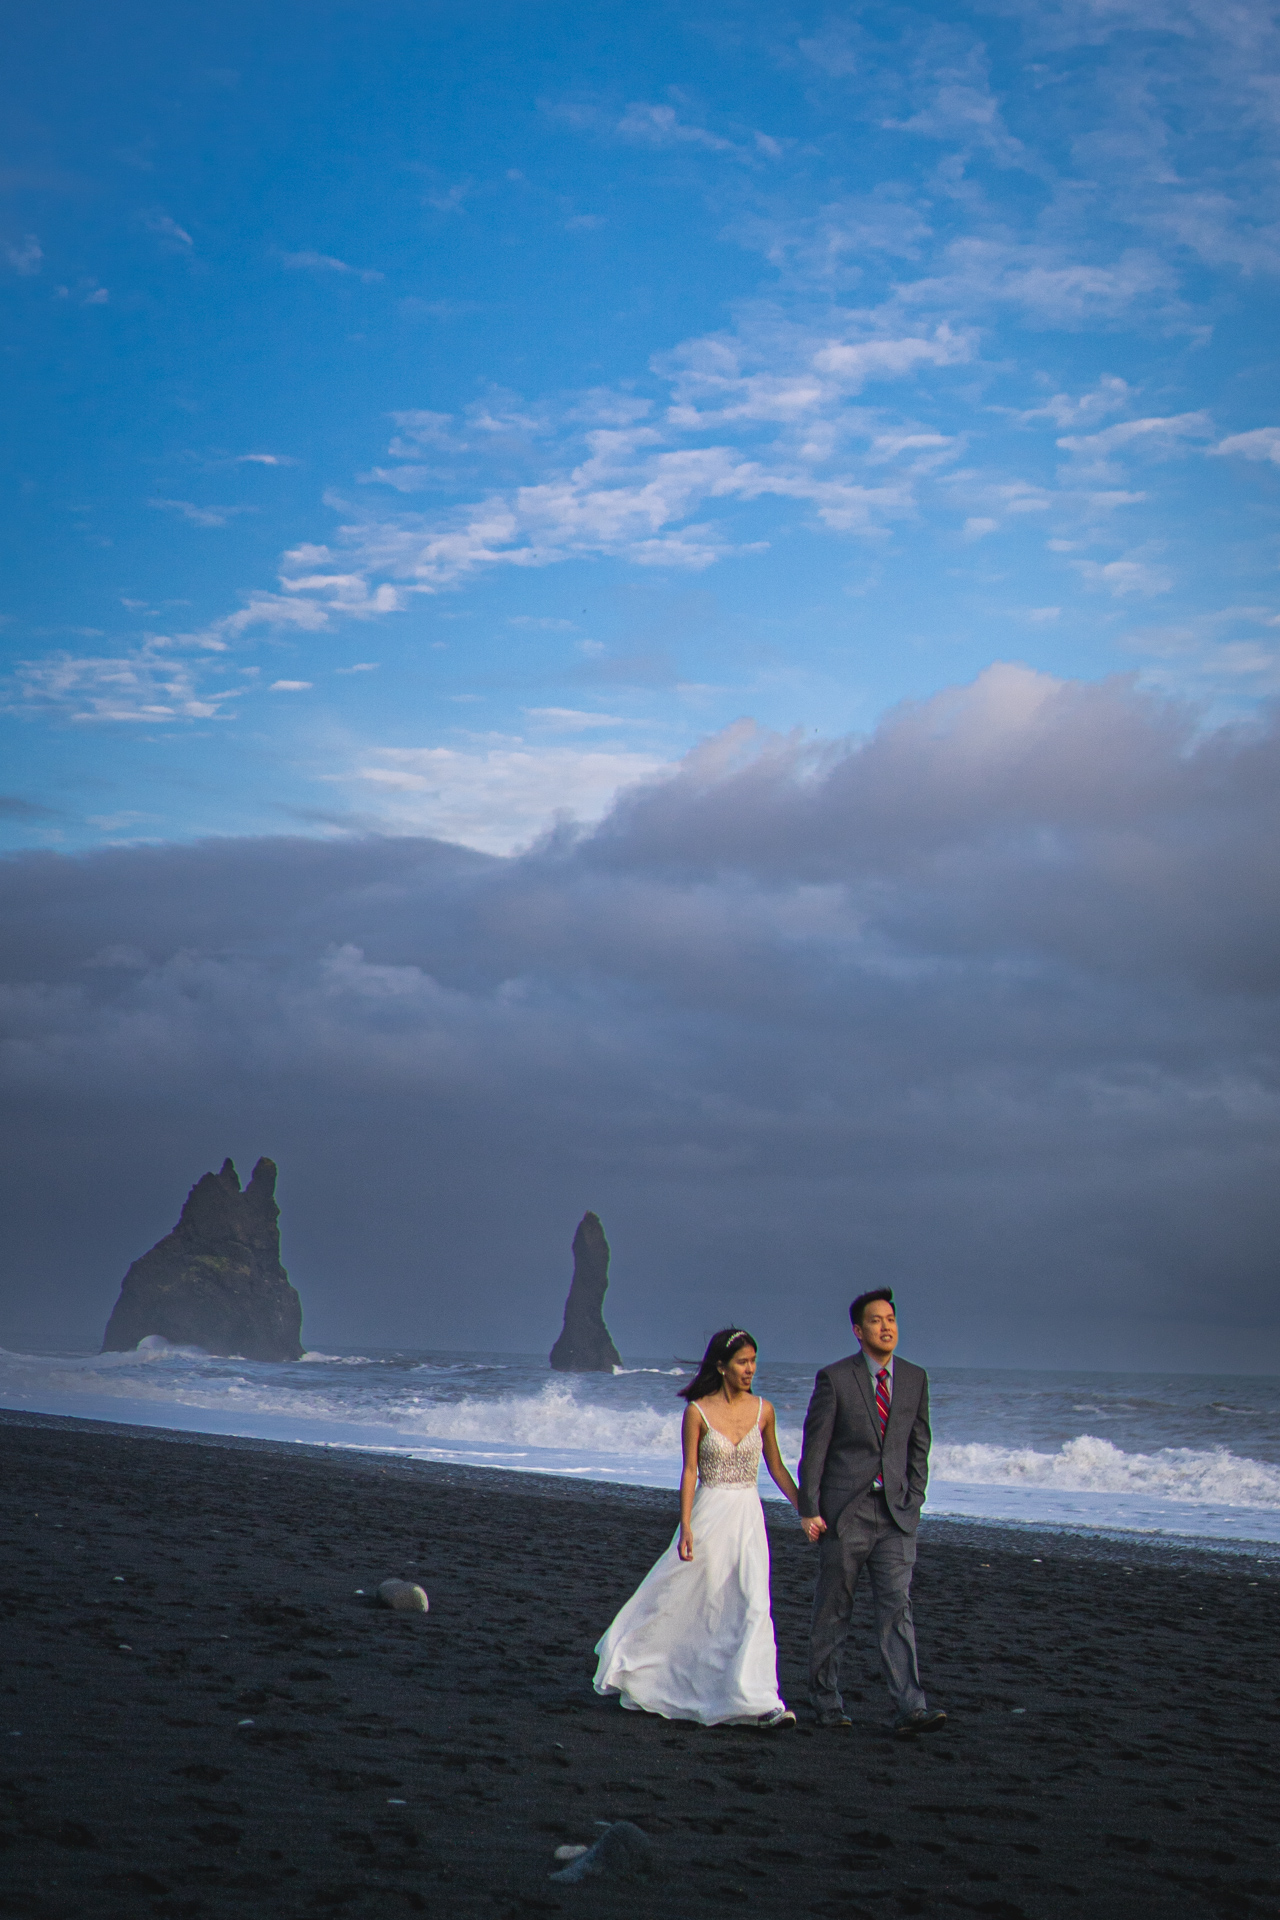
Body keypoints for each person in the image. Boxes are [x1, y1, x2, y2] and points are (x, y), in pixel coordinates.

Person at [593, 1327, 802, 1728]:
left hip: (747, 1515)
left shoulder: (764, 1410)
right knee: (691, 1598)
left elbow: (776, 1467)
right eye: (742, 1362)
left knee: (754, 1602)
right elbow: (689, 1472)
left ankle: (763, 1702)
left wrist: (806, 1509)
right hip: (709, 1512)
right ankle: (643, 1668)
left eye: (754, 1361)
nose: (750, 1369)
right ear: (721, 1366)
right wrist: (685, 1524)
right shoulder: (697, 1412)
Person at [797, 1289, 946, 1737]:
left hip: (897, 1516)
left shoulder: (916, 1378)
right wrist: (810, 1509)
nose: (887, 1327)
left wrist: (913, 1500)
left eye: (892, 1319)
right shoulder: (836, 1379)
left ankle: (911, 1708)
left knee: (896, 1609)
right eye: (876, 1320)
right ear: (858, 1331)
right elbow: (815, 1451)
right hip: (846, 1514)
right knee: (834, 1610)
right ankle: (827, 1703)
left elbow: (920, 1445)